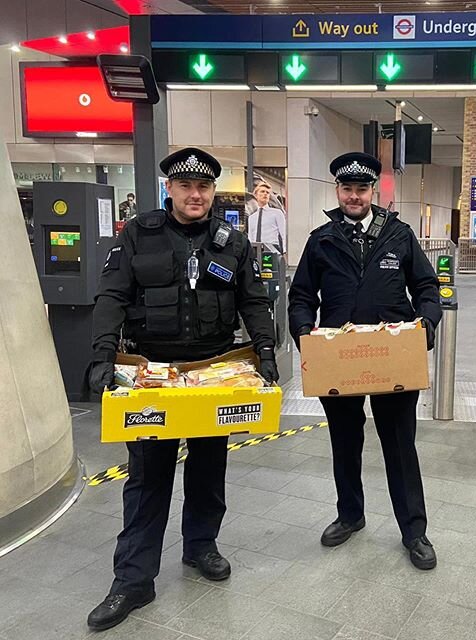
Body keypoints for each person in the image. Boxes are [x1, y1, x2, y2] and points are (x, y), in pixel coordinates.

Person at [86, 147, 278, 631]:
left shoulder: (232, 242)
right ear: (169, 188)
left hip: (214, 372)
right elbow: (111, 297)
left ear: (213, 191)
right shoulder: (137, 235)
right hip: (153, 374)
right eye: (187, 186)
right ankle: (133, 580)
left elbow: (253, 301)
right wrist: (102, 355)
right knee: (148, 478)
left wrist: (266, 350)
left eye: (205, 187)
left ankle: (201, 547)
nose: (196, 195)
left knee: (210, 468)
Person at [288, 152, 442, 571]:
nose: (354, 196)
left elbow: (427, 286)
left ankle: (414, 531)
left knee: (399, 446)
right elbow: (302, 296)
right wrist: (305, 334)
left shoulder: (400, 235)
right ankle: (350, 514)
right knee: (345, 443)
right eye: (346, 188)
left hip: (393, 357)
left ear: (373, 191)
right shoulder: (321, 240)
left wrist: (425, 324)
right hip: (339, 358)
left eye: (361, 188)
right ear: (337, 191)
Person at [246, 182, 287, 255]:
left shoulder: (277, 213)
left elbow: (283, 233)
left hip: (272, 250)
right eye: (262, 191)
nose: (265, 194)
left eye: (267, 192)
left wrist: (284, 252)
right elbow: (250, 237)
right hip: (255, 251)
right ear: (256, 195)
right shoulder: (252, 217)